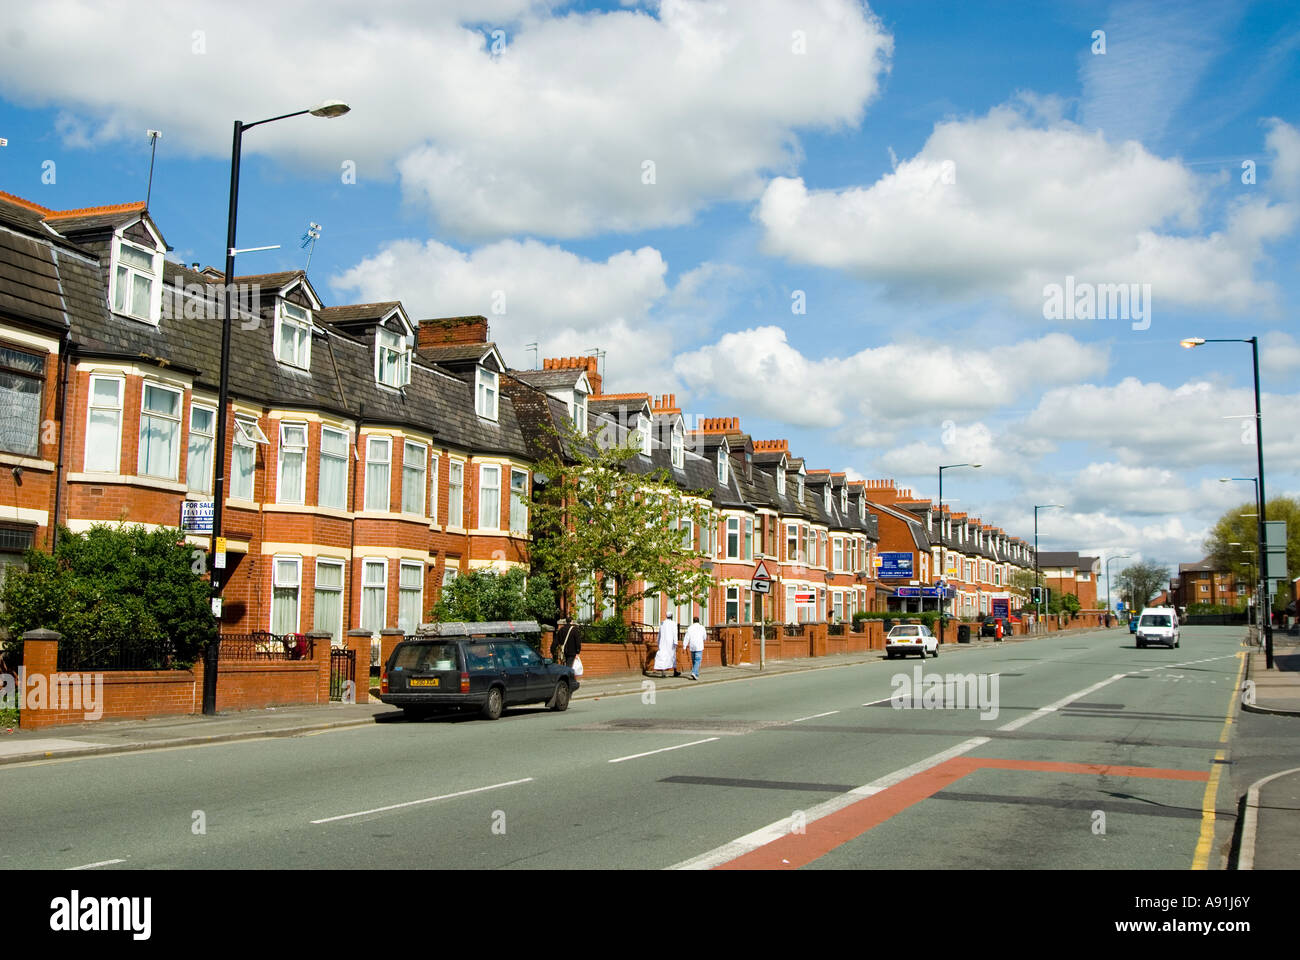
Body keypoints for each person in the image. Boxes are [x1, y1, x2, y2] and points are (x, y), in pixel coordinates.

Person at [650, 610, 679, 677]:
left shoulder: (662, 623)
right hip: (670, 643)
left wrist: (658, 641)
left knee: (663, 656)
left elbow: (659, 633)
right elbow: (675, 633)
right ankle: (675, 671)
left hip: (662, 642)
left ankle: (663, 671)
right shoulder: (673, 623)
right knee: (672, 656)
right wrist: (675, 642)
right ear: (671, 616)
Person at [684, 616, 706, 680]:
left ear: (693, 621)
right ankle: (694, 672)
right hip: (699, 646)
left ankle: (696, 674)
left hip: (692, 646)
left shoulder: (690, 628)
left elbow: (687, 637)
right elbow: (704, 637)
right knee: (698, 660)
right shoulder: (702, 627)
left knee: (694, 660)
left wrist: (684, 646)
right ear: (698, 621)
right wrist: (703, 639)